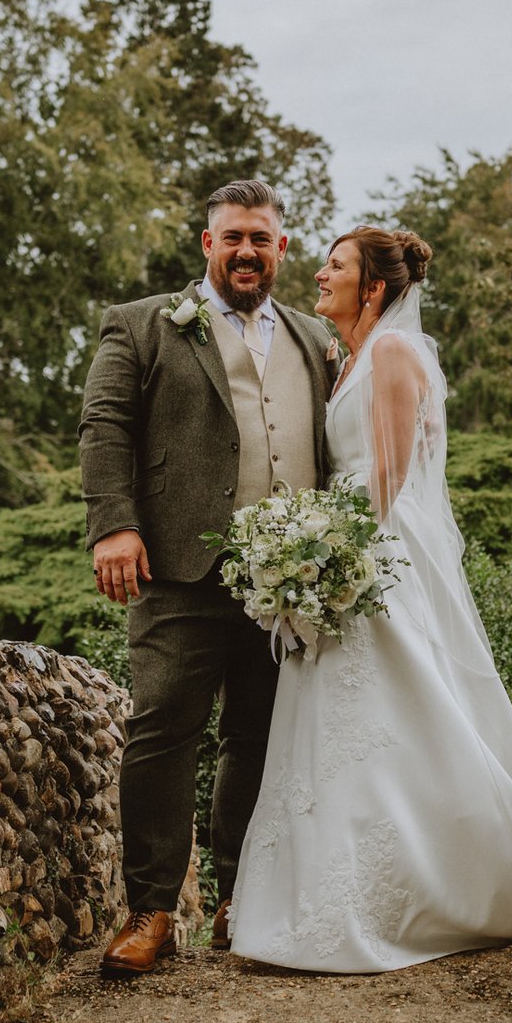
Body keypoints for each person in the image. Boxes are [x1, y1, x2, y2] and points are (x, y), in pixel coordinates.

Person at [229, 226, 512, 971]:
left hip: (370, 556)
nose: (320, 273)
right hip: (335, 549)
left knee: (394, 716)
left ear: (373, 286)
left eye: (335, 265)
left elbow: (391, 475)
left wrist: (332, 564)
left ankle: (428, 894)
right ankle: (318, 904)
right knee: (336, 728)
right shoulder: (344, 359)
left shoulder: (396, 353)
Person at [78, 180, 344, 976]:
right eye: (232, 237)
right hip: (179, 566)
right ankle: (151, 909)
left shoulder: (311, 337)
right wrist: (114, 525)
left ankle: (242, 901)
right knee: (162, 727)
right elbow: (104, 425)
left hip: (285, 581)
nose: (246, 252)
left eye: (261, 238)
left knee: (259, 739)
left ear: (281, 249)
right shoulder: (143, 324)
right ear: (207, 244)